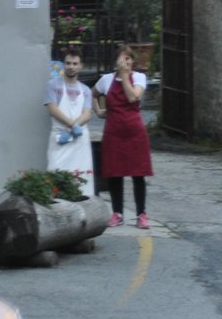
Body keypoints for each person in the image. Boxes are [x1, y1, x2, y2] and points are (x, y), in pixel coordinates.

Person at [96, 46, 153, 228]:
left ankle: (141, 214)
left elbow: (132, 97)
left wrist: (125, 76)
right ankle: (117, 213)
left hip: (134, 131)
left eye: (128, 59)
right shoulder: (106, 80)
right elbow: (93, 93)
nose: (126, 62)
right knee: (115, 173)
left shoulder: (139, 78)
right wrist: (99, 110)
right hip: (113, 130)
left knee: (138, 173)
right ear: (116, 61)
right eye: (123, 59)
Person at [45, 53, 94, 185]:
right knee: (56, 172)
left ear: (81, 66)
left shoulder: (86, 90)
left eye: (75, 64)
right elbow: (53, 109)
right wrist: (71, 125)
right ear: (63, 65)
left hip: (79, 139)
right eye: (68, 63)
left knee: (81, 177)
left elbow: (87, 114)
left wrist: (73, 127)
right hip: (61, 136)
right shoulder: (53, 86)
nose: (71, 67)